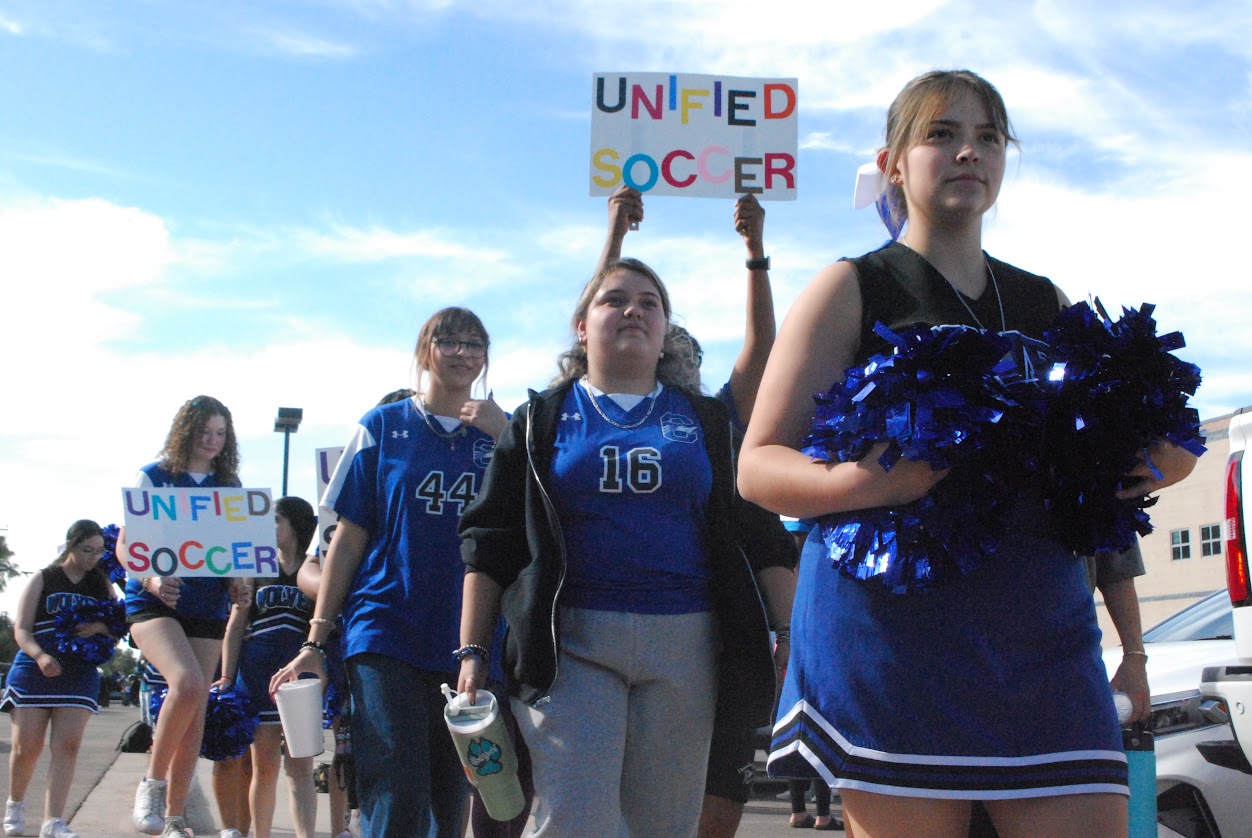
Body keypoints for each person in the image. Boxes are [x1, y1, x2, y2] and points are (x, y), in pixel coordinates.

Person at [737, 69, 1198, 838]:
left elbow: (1102, 446)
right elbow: (759, 466)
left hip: (1041, 635)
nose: (967, 154)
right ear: (893, 163)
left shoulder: (1043, 301)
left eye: (987, 137)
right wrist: (870, 480)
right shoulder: (853, 287)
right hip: (896, 643)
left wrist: (1162, 459)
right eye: (941, 135)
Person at [457, 258, 795, 838]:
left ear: (666, 331)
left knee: (663, 824)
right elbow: (490, 546)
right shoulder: (539, 420)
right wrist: (470, 654)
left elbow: (762, 534)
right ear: (582, 326)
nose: (633, 310)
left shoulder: (709, 423)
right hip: (571, 648)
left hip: (689, 644)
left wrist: (790, 635)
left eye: (650, 302)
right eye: (614, 299)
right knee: (575, 819)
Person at [270, 308, 507, 837]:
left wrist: (511, 439)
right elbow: (347, 539)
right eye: (449, 340)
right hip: (385, 629)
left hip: (467, 637)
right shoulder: (382, 428)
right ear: (425, 350)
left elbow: (536, 522)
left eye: (475, 343)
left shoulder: (502, 435)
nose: (463, 351)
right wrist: (315, 640)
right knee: (397, 790)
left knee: (451, 801)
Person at [121, 396, 252, 838]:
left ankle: (176, 816)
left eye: (220, 434)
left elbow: (237, 554)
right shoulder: (156, 476)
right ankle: (152, 784)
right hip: (155, 603)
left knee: (196, 711)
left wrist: (239, 583)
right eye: (204, 432)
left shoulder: (230, 487)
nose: (213, 441)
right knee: (189, 684)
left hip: (208, 606)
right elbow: (126, 544)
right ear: (186, 432)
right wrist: (153, 577)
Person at [2, 520, 122, 838]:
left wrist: (99, 629)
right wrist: (40, 656)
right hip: (34, 669)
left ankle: (53, 821)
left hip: (78, 672)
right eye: (87, 550)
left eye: (99, 551)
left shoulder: (101, 583)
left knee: (67, 746)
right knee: (27, 747)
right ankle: (15, 804)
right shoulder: (45, 577)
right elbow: (22, 628)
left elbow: (118, 624)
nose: (94, 557)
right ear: (71, 545)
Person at [220, 497, 318, 838]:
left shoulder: (313, 567)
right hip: (258, 674)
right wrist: (226, 676)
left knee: (301, 766)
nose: (269, 526)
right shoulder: (255, 566)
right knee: (264, 767)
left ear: (296, 524)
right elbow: (235, 626)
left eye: (276, 519)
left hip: (300, 677)